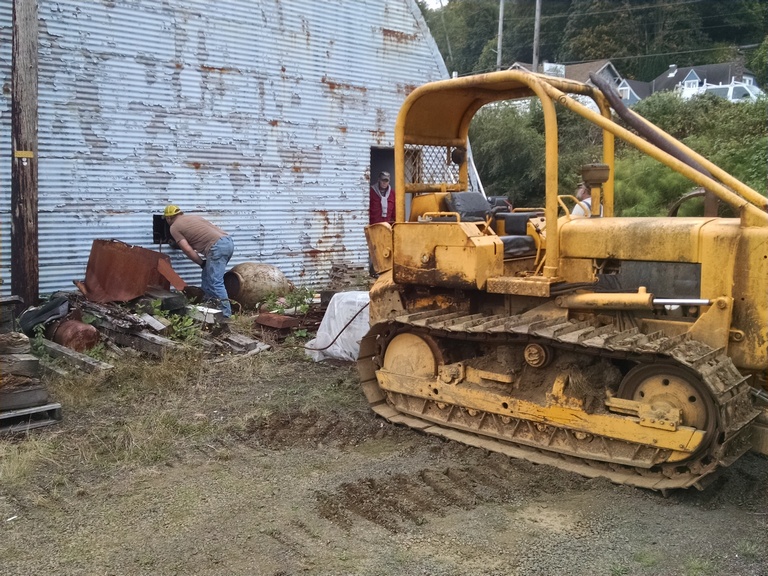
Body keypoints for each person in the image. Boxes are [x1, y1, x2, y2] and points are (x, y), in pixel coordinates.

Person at [164, 205, 234, 318]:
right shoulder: (194, 217)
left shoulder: (174, 227)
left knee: (215, 282)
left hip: (216, 247)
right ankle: (208, 308)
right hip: (228, 242)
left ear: (168, 218)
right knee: (207, 276)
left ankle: (226, 315)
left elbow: (187, 249)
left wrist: (201, 263)